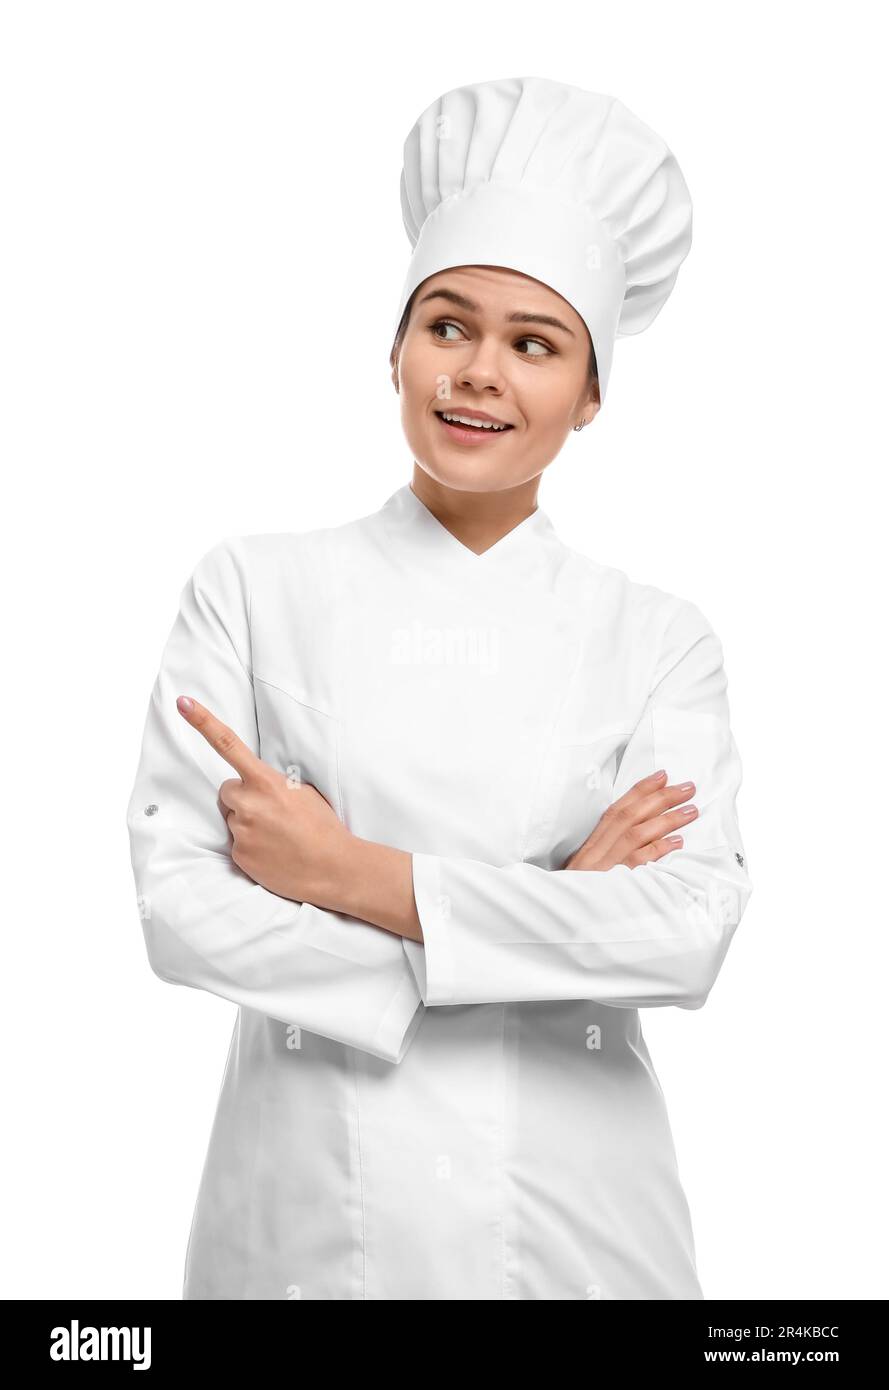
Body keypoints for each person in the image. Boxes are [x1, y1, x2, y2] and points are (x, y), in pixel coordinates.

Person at [126, 75, 753, 1301]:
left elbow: (686, 929)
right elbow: (178, 902)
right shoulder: (253, 589)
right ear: (397, 346)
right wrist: (545, 917)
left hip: (578, 1227)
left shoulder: (657, 639)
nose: (476, 373)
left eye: (534, 344)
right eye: (447, 326)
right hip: (304, 1217)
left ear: (589, 395)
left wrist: (354, 880)